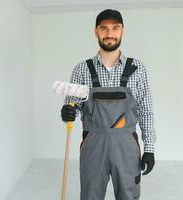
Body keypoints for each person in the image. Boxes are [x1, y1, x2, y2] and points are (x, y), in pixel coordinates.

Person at [61, 9, 156, 200]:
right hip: (93, 144)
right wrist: (67, 112)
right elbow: (72, 107)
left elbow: (146, 111)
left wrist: (150, 149)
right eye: (104, 28)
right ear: (96, 32)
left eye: (115, 28)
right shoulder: (81, 69)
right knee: (91, 195)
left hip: (127, 145)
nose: (110, 33)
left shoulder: (138, 69)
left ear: (122, 31)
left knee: (128, 195)